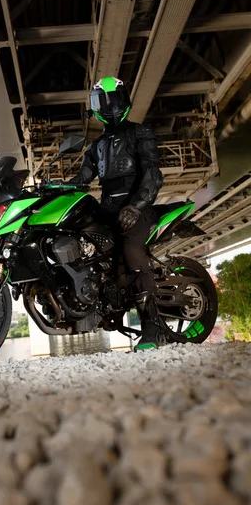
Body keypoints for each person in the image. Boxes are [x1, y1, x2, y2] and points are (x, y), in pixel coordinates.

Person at [69, 76, 164, 350]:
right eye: (102, 101)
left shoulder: (140, 133)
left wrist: (136, 206)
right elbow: (81, 179)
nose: (109, 106)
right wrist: (51, 187)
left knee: (132, 253)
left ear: (125, 100)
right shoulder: (95, 147)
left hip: (136, 208)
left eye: (114, 99)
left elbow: (153, 175)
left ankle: (152, 328)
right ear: (94, 106)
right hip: (107, 210)